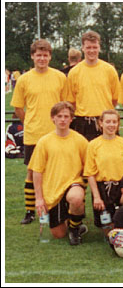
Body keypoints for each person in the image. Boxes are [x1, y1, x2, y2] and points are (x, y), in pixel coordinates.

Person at [10, 39, 67, 224]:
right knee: (32, 172)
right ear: (33, 56)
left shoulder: (59, 77)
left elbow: (65, 105)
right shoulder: (24, 79)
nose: (42, 58)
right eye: (38, 55)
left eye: (45, 55)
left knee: (57, 171)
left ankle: (56, 206)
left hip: (56, 133)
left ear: (50, 56)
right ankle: (30, 210)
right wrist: (29, 122)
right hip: (34, 134)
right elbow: (18, 107)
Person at [28, 102, 88, 245]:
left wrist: (84, 186)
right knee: (58, 234)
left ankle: (74, 228)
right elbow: (37, 171)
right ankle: (74, 222)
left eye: (66, 116)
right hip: (52, 191)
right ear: (52, 118)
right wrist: (39, 198)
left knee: (75, 198)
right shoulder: (44, 142)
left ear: (71, 119)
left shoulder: (80, 140)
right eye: (59, 116)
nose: (62, 119)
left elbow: (89, 167)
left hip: (73, 185)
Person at [84, 109, 123, 236]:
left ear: (118, 124)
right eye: (108, 122)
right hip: (102, 188)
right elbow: (90, 173)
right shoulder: (93, 145)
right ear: (101, 123)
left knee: (122, 224)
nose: (111, 125)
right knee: (108, 230)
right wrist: (96, 197)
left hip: (121, 187)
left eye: (114, 122)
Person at [67, 30, 122, 141]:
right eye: (88, 47)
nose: (91, 51)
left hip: (105, 122)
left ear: (99, 47)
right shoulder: (74, 72)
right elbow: (71, 101)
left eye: (94, 47)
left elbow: (115, 99)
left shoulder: (109, 70)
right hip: (83, 123)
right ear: (82, 48)